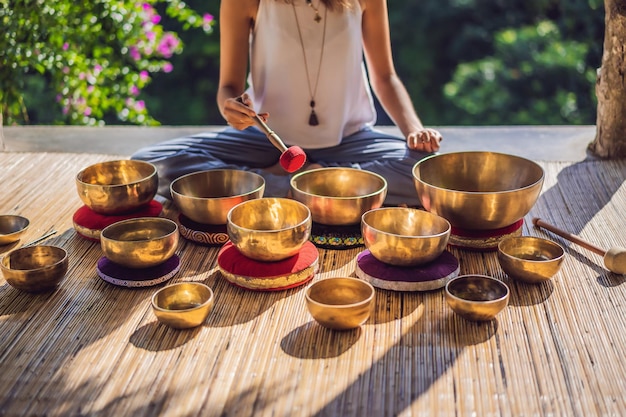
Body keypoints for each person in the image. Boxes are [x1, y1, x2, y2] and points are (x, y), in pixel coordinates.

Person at [131, 0, 442, 206]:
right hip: (266, 140)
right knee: (150, 164)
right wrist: (231, 108)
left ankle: (275, 186)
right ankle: (326, 186)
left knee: (430, 173)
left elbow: (385, 76)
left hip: (349, 141)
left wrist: (414, 130)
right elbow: (229, 86)